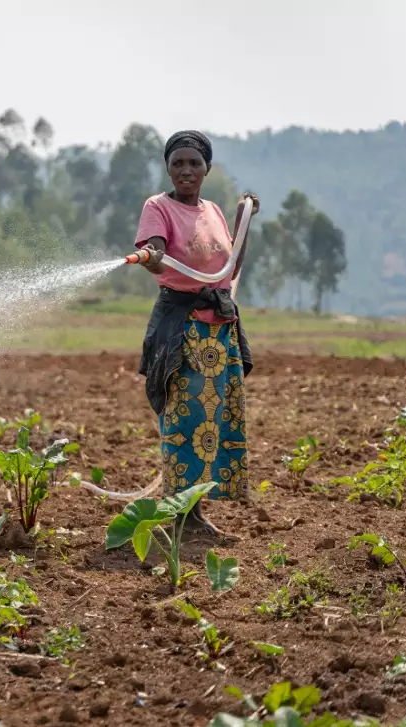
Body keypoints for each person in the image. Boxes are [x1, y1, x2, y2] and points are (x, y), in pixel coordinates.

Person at [133, 130, 259, 537]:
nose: (186, 171)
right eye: (177, 164)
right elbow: (155, 251)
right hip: (182, 329)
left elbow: (230, 267)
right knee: (185, 421)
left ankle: (196, 513)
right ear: (168, 169)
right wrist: (152, 256)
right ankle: (181, 516)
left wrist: (244, 222)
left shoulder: (214, 212)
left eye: (194, 164)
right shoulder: (159, 207)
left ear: (207, 168)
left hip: (220, 331)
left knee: (215, 420)